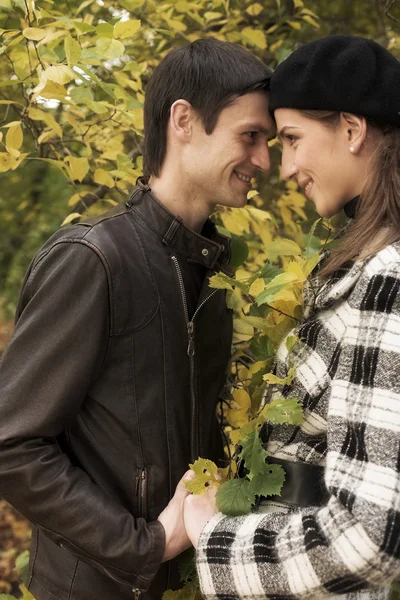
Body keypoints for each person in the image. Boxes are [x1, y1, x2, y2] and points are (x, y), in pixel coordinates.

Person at [0, 38, 274, 600]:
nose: (264, 162)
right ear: (184, 121)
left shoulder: (212, 277)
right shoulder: (95, 259)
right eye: (249, 136)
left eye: (268, 141)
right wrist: (144, 546)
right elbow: (12, 444)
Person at [183, 35, 400, 599]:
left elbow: (368, 536)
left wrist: (214, 537)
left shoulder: (388, 277)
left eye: (293, 140)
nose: (285, 167)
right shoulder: (365, 262)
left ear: (352, 130)